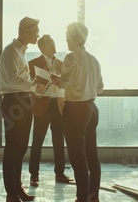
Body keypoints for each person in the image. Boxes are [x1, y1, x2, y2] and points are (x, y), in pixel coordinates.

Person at [52, 22, 103, 202]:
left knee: (77, 157)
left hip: (76, 111)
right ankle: (93, 195)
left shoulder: (71, 57)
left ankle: (82, 198)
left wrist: (56, 76)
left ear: (75, 38)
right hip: (92, 109)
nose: (65, 39)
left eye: (67, 35)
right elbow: (100, 88)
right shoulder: (94, 59)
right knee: (92, 155)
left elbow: (62, 84)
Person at [0, 17, 39, 202]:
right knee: (13, 148)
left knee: (22, 147)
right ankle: (11, 193)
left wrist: (34, 88)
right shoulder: (11, 51)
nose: (38, 34)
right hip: (14, 101)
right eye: (35, 31)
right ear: (25, 31)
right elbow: (13, 79)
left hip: (24, 100)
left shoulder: (21, 52)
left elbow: (21, 81)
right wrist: (34, 83)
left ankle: (17, 188)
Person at [28, 35, 73, 187]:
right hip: (42, 105)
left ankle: (59, 173)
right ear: (42, 48)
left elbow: (67, 83)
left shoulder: (61, 63)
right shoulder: (33, 64)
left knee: (59, 141)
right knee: (37, 141)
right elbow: (30, 87)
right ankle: (34, 175)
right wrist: (40, 85)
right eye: (51, 45)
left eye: (54, 43)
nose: (55, 47)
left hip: (58, 104)